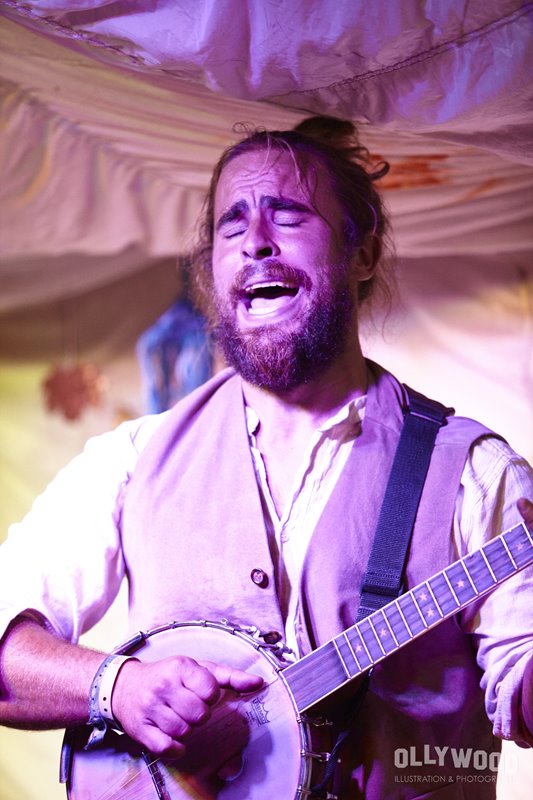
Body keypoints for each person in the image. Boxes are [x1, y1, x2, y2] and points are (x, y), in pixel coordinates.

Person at [0, 116, 532, 799]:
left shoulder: (474, 475)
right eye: (232, 225)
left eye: (288, 215)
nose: (255, 242)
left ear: (362, 252)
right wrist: (118, 686)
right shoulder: (132, 461)